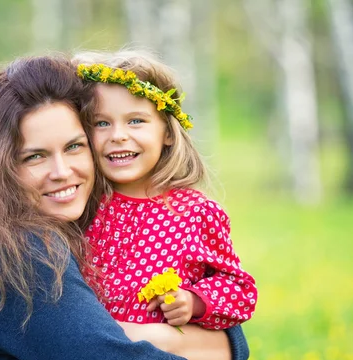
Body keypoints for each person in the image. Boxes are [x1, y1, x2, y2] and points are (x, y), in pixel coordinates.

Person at [0, 55, 248, 360]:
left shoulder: (87, 223)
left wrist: (190, 333)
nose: (62, 171)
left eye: (74, 146)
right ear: (0, 168)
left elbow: (228, 339)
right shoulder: (22, 252)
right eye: (34, 156)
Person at [73, 51, 258, 333]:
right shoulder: (81, 204)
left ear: (168, 133)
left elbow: (240, 290)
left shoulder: (195, 213)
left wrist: (194, 301)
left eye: (136, 121)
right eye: (101, 123)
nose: (118, 135)